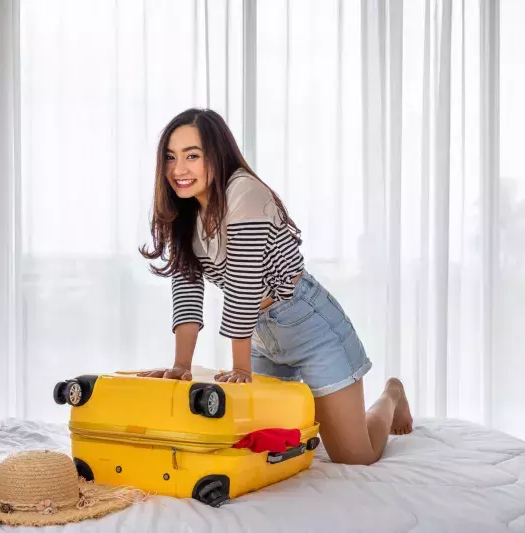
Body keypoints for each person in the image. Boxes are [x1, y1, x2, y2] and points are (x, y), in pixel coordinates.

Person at [138, 108, 412, 466]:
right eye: (171, 158)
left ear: (217, 155)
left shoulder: (245, 192)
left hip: (308, 325)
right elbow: (187, 288)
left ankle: (391, 394)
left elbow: (244, 284)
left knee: (353, 456)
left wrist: (241, 370)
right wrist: (180, 365)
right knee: (266, 447)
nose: (178, 170)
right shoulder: (187, 212)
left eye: (192, 156)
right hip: (260, 335)